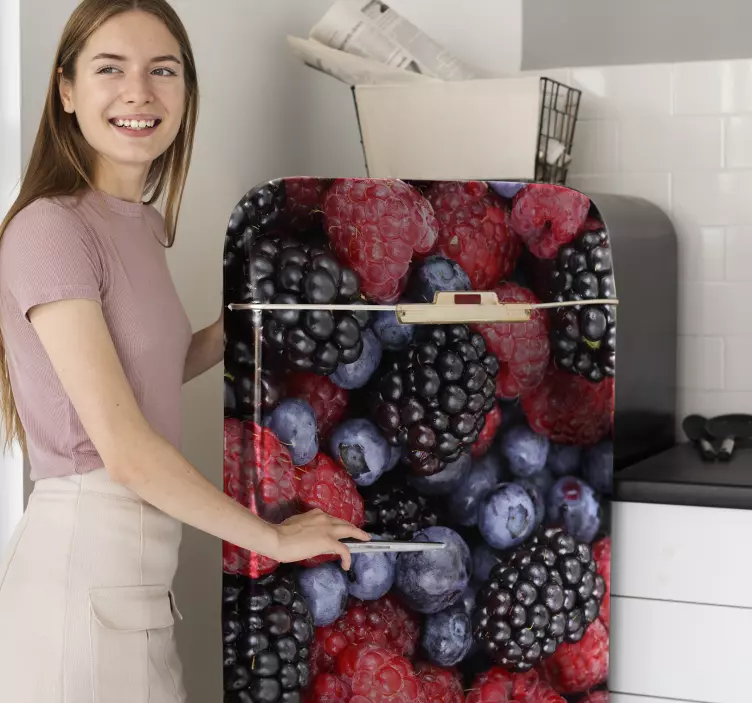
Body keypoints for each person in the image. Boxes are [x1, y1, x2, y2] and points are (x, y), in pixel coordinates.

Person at [0, 1, 369, 700]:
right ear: (66, 90)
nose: (139, 92)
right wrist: (273, 538)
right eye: (111, 69)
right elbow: (126, 450)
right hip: (75, 594)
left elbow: (152, 370)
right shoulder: (49, 230)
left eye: (162, 70)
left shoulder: (139, 224)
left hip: (134, 588)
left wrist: (266, 316)